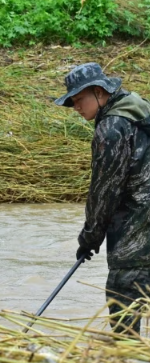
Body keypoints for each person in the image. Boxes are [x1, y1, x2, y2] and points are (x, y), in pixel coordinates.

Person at [54, 63, 150, 334]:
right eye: (72, 102)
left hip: (136, 223)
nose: (76, 107)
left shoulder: (111, 128)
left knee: (122, 301)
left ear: (98, 92)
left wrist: (90, 237)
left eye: (79, 99)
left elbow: (104, 192)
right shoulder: (137, 110)